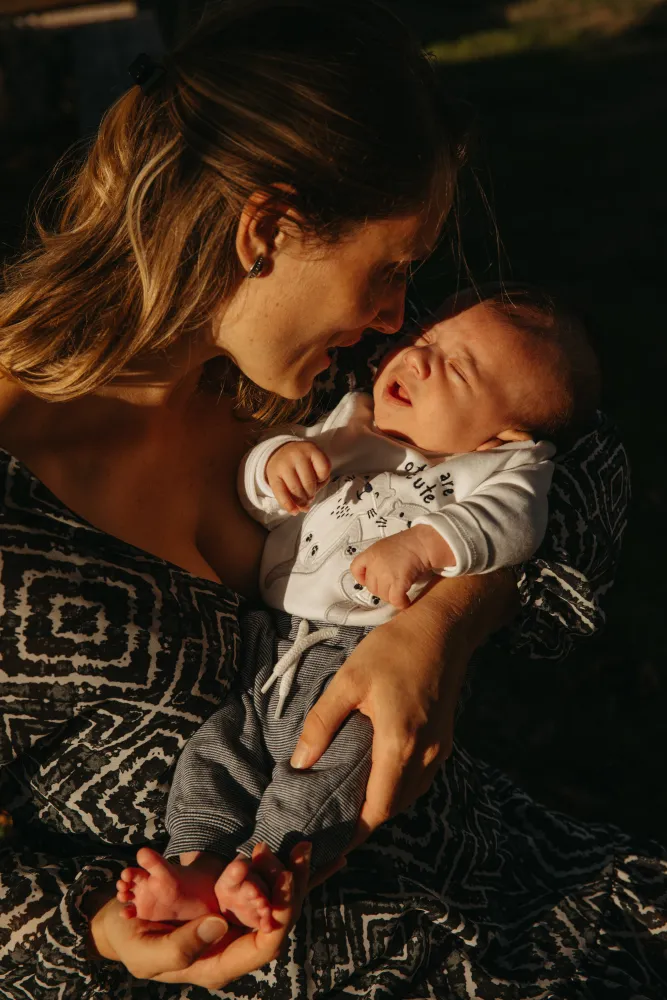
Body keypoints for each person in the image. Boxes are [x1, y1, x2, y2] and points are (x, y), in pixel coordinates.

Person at [0, 1, 664, 996]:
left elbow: (580, 458)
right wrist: (101, 931)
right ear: (265, 229)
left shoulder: (330, 382)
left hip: (519, 902)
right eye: (389, 271)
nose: (398, 316)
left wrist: (443, 621)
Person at [116, 286, 602, 932]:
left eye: (455, 369)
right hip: (275, 642)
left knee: (332, 772)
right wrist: (275, 464)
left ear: (501, 436)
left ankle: (266, 870)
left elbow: (514, 525)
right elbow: (265, 503)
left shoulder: (503, 469)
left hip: (360, 657)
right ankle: (198, 862)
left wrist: (426, 546)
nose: (417, 358)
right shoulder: (351, 423)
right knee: (216, 751)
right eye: (424, 342)